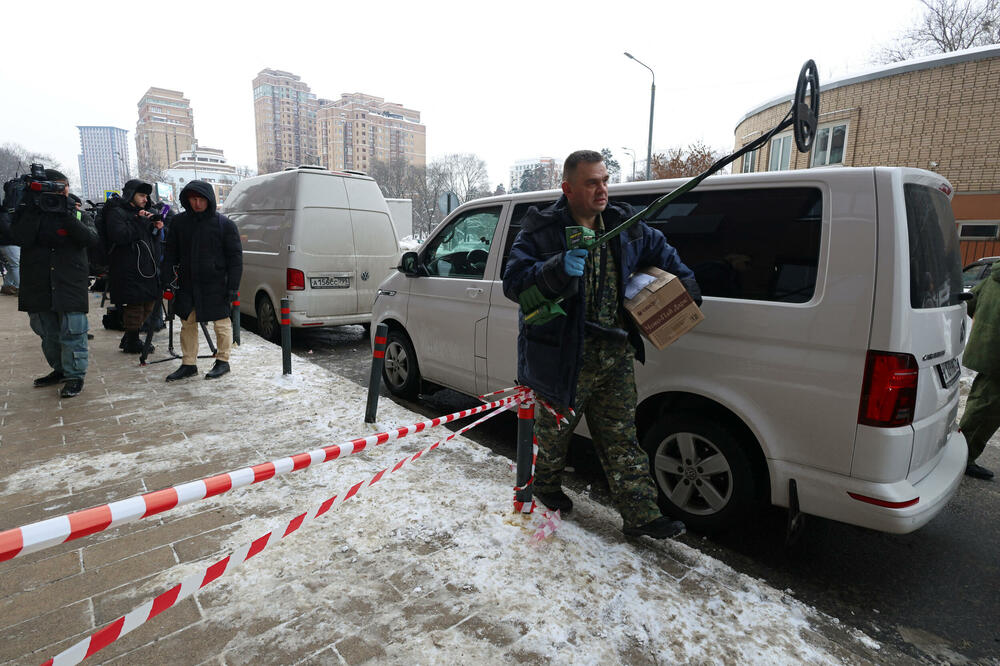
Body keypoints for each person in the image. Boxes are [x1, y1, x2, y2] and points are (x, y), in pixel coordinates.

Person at [502, 150, 702, 539]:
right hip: (562, 355)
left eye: (605, 180)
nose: (602, 189)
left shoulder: (627, 226)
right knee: (553, 437)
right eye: (592, 182)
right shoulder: (541, 230)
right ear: (568, 188)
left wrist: (687, 292)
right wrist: (555, 267)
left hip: (614, 352)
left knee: (620, 434)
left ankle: (641, 514)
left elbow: (667, 258)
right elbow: (514, 281)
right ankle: (544, 487)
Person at [10, 169, 98, 398]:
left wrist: (67, 215)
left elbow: (91, 239)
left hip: (69, 282)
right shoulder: (28, 210)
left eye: (63, 186)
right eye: (55, 187)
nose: (61, 191)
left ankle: (75, 376)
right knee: (47, 332)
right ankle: (59, 369)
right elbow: (19, 237)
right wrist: (31, 207)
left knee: (73, 332)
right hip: (38, 282)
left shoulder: (75, 211)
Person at [162, 180, 242, 381]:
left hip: (215, 283)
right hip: (187, 283)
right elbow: (170, 253)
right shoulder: (179, 223)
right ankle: (189, 363)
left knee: (221, 323)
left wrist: (233, 286)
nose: (196, 203)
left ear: (209, 200)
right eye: (192, 199)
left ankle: (223, 361)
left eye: (200, 199)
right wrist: (166, 278)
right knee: (187, 323)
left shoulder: (225, 225)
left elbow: (235, 258)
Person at [106, 179, 164, 353]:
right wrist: (139, 221)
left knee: (149, 303)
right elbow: (120, 236)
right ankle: (132, 340)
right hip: (128, 267)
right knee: (135, 305)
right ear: (131, 194)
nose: (145, 199)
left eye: (146, 196)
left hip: (148, 267)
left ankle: (130, 335)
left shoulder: (146, 212)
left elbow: (153, 239)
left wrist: (157, 228)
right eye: (141, 195)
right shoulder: (117, 212)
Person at [959, 268, 999, 480]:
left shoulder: (993, 277)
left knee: (981, 405)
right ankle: (962, 458)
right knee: (986, 410)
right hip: (996, 360)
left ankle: (962, 455)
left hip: (988, 352)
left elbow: (969, 302)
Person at [0, 200, 19, 295]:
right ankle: (20, 287)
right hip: (9, 242)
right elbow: (7, 229)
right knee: (16, 265)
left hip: (7, 242)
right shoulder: (3, 214)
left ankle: (6, 285)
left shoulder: (5, 213)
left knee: (13, 265)